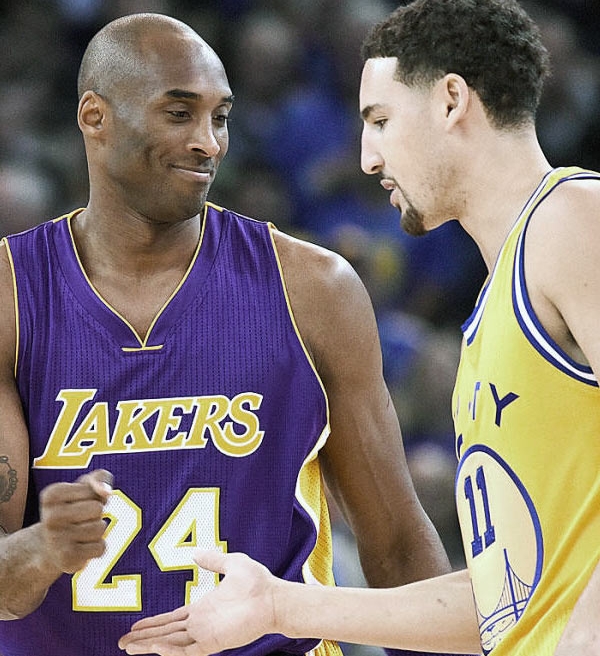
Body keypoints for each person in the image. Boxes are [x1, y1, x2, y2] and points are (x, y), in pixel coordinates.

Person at [118, 1, 600, 655]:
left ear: (451, 101)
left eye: (380, 121)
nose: (369, 158)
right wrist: (282, 606)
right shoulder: (498, 305)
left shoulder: (573, 218)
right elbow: (512, 602)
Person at [0, 11, 456, 656]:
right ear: (94, 117)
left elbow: (397, 543)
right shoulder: (11, 296)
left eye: (220, 118)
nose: (208, 143)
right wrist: (43, 547)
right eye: (178, 114)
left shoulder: (313, 288)